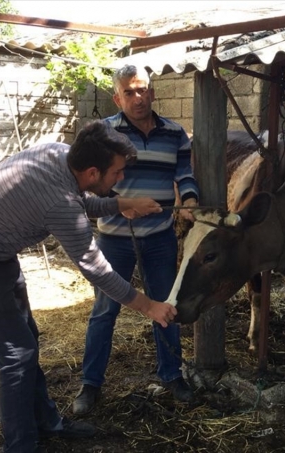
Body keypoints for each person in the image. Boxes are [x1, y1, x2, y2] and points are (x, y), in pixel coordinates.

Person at [0, 120, 177, 453]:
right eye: (116, 173)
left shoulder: (58, 153)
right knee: (16, 354)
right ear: (91, 172)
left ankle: (48, 423)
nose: (121, 179)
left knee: (26, 343)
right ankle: (21, 446)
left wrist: (121, 204)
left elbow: (80, 202)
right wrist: (149, 306)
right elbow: (95, 268)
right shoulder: (59, 202)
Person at [72, 64, 199, 415]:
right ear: (117, 97)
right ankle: (91, 384)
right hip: (115, 238)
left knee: (165, 307)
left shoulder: (175, 133)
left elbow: (185, 175)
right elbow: (95, 181)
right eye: (129, 92)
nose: (137, 97)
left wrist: (188, 201)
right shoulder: (104, 133)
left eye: (143, 89)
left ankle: (172, 374)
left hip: (159, 236)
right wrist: (119, 205)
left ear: (153, 92)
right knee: (104, 310)